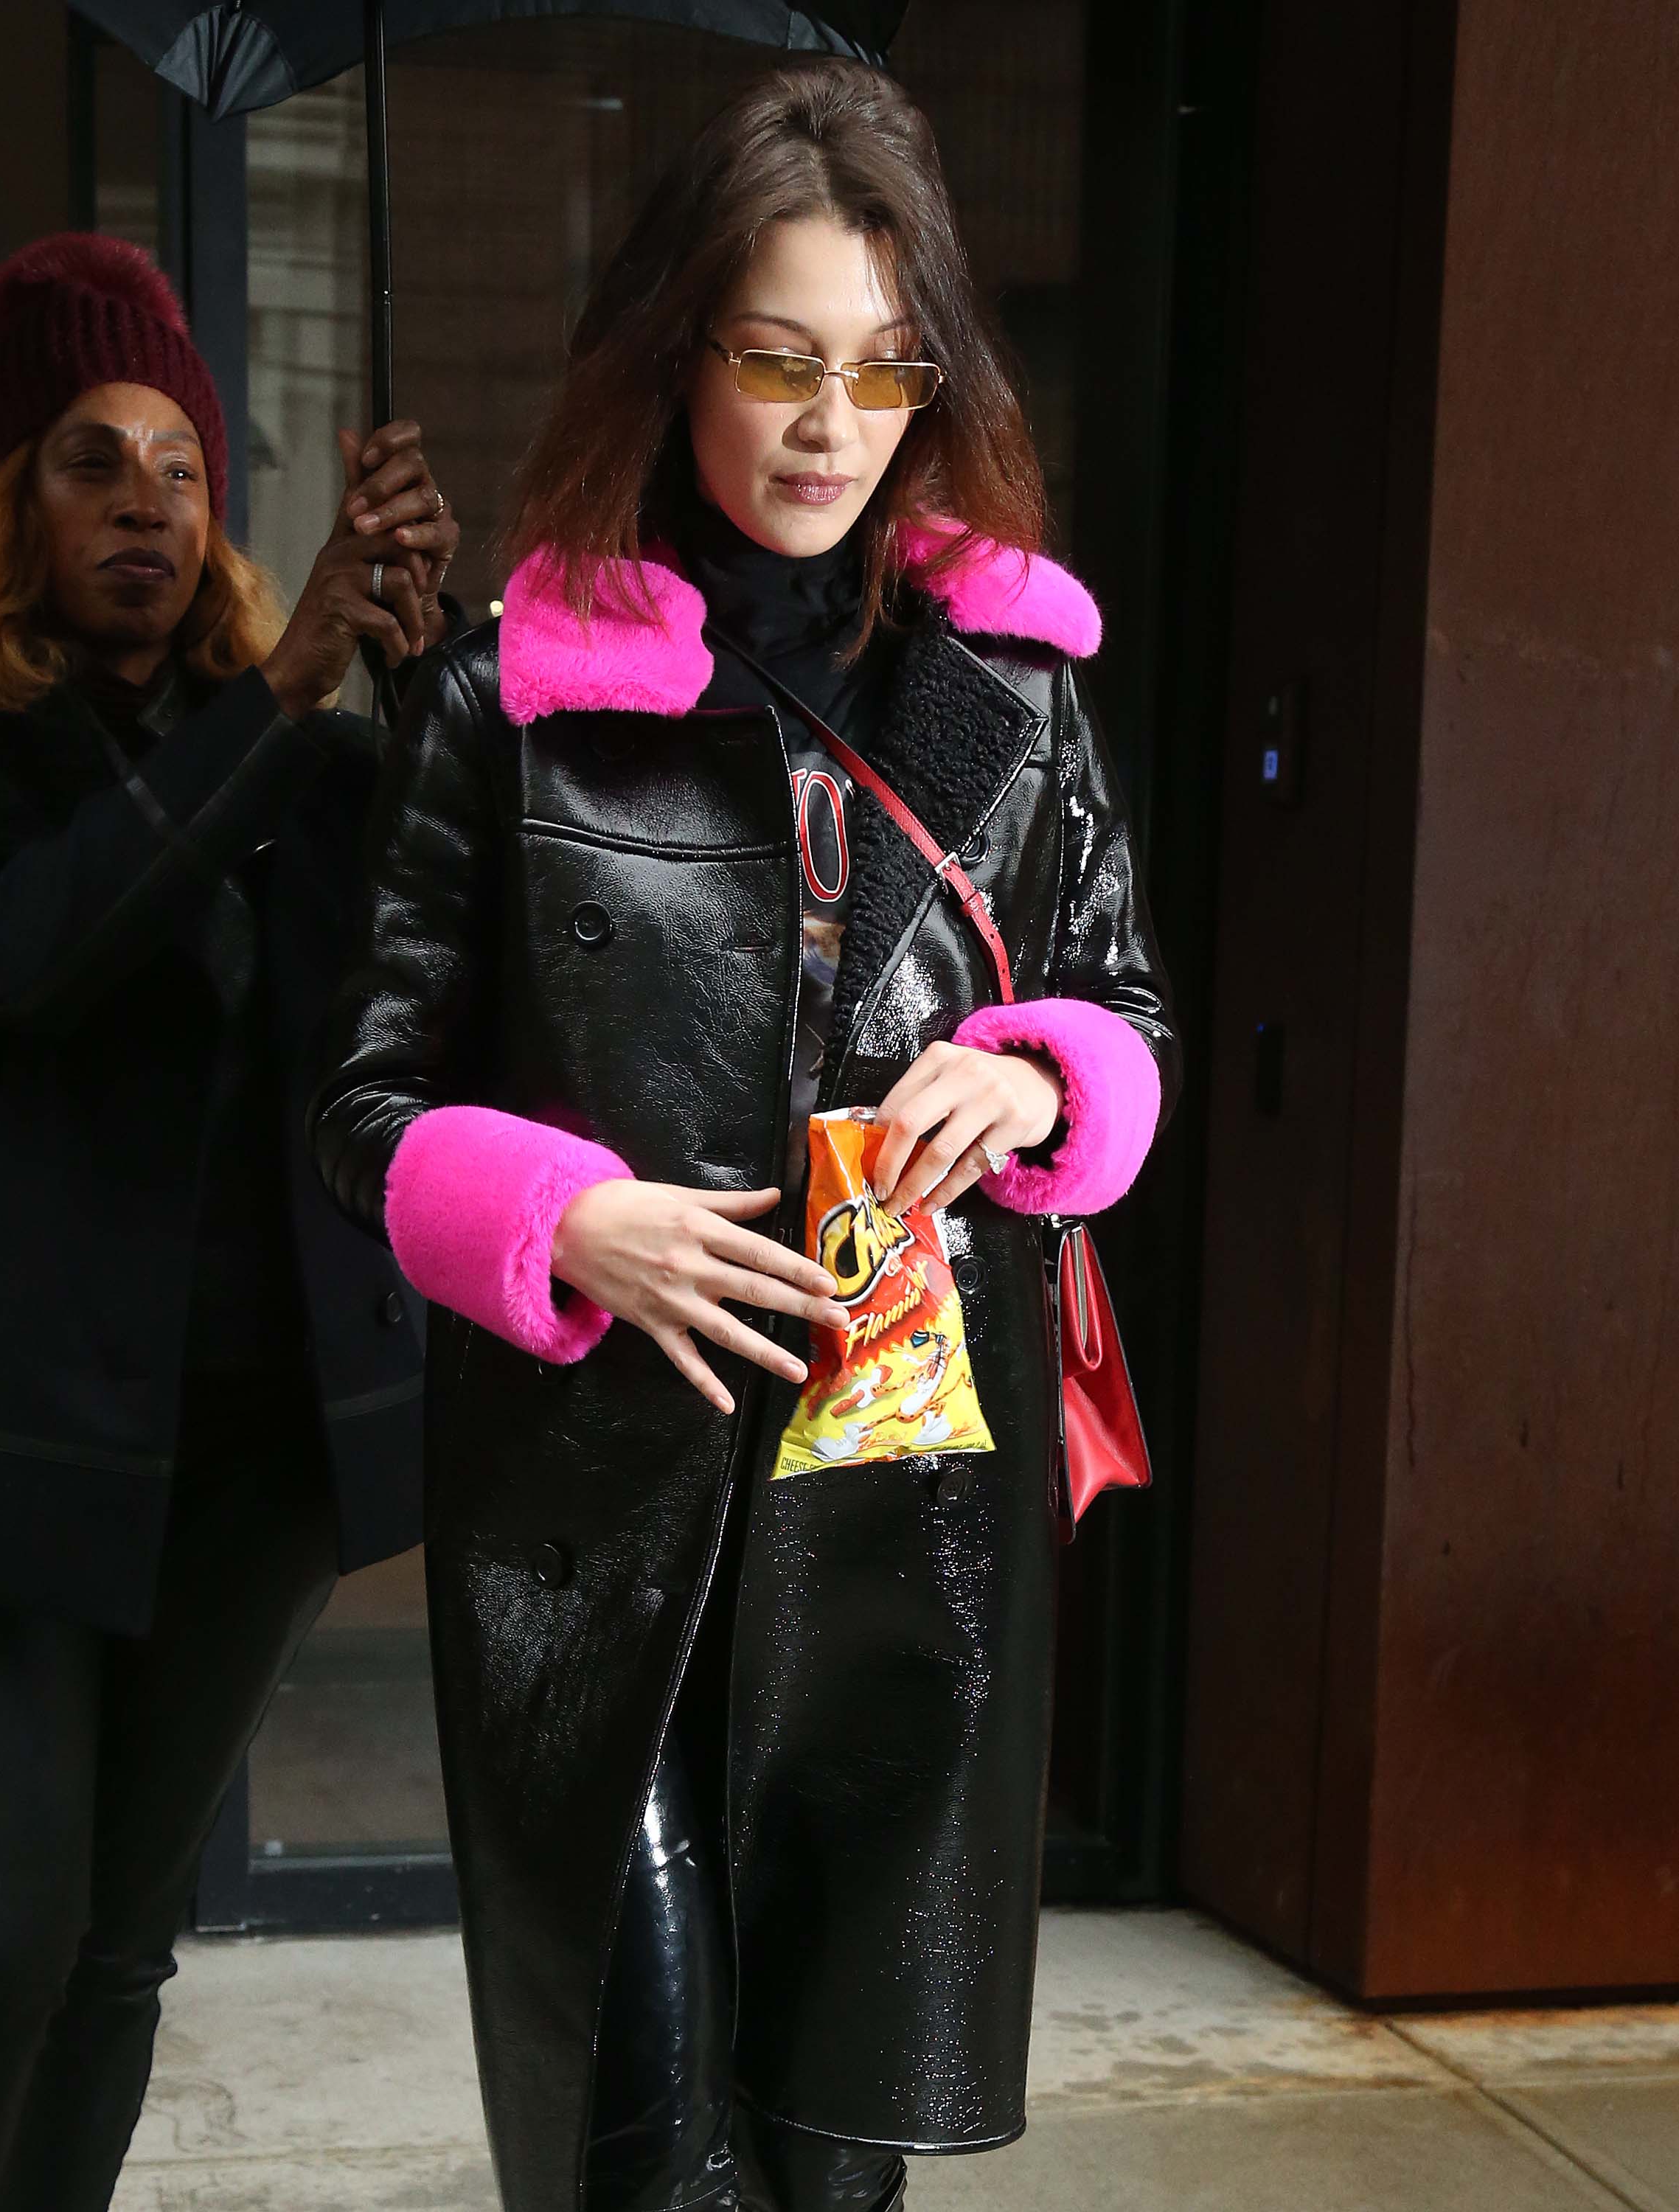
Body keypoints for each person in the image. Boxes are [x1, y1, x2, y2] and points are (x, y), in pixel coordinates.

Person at [311, 59, 1179, 2212]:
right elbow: (365, 1099)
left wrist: (1044, 1075)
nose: (830, 425)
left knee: (831, 2158)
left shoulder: (1011, 690)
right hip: (598, 1520)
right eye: (780, 360)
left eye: (885, 370)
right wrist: (564, 1218)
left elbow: (1128, 1010)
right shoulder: (517, 694)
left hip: (902, 1514)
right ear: (675, 347)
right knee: (641, 2149)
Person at [0, 232, 460, 2211]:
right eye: (89, 459)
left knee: (119, 1948)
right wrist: (281, 694)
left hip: (243, 1458)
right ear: (6, 504)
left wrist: (424, 657)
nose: (144, 500)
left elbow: (489, 924)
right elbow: (40, 953)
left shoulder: (308, 760)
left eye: (182, 465)